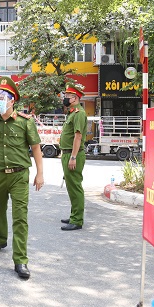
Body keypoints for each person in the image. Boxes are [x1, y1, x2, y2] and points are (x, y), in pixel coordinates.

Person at [0, 77, 44, 280]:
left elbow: (36, 148)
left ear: (12, 101)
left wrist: (40, 173)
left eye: (3, 97)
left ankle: (21, 260)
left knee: (20, 217)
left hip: (19, 175)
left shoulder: (25, 122)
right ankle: (0, 240)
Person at [59, 84, 87, 231]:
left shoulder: (79, 114)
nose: (65, 98)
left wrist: (73, 157)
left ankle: (77, 220)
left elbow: (78, 137)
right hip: (68, 153)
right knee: (71, 186)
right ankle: (74, 215)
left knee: (75, 186)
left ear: (75, 98)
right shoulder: (72, 113)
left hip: (73, 154)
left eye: (67, 96)